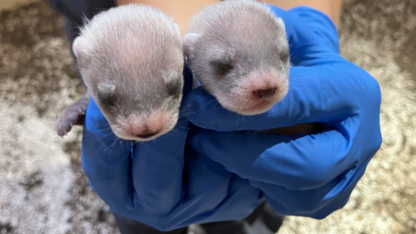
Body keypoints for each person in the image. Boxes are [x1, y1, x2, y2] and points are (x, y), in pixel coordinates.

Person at [47, 0, 382, 233]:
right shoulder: (99, 47)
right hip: (108, 17)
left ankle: (247, 222)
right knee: (142, 198)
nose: (144, 125)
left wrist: (315, 24)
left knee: (252, 197)